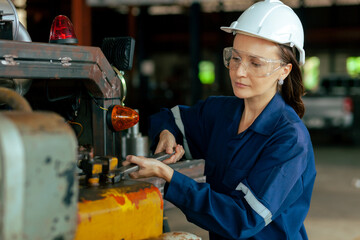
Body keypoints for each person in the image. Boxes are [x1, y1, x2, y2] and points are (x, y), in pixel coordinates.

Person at [123, 0, 317, 239]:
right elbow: (170, 117)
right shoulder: (221, 113)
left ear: (284, 71)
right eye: (235, 58)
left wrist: (169, 175)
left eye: (255, 63)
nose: (239, 71)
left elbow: (242, 219)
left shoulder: (289, 139)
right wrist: (167, 133)